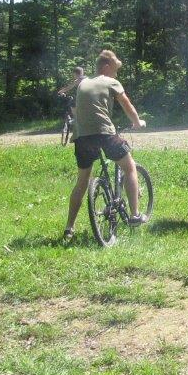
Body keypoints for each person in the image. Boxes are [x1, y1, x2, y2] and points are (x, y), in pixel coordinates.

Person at [64, 50, 147, 241]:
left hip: (82, 137)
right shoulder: (110, 82)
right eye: (116, 70)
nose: (116, 74)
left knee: (82, 182)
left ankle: (69, 228)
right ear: (107, 67)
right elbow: (127, 105)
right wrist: (137, 122)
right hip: (104, 133)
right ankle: (135, 215)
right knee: (130, 167)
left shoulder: (83, 83)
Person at [56, 66, 86, 145]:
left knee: (72, 103)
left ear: (75, 74)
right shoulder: (87, 79)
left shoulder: (78, 80)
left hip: (82, 100)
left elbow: (68, 87)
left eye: (74, 74)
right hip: (90, 99)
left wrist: (60, 92)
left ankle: (75, 119)